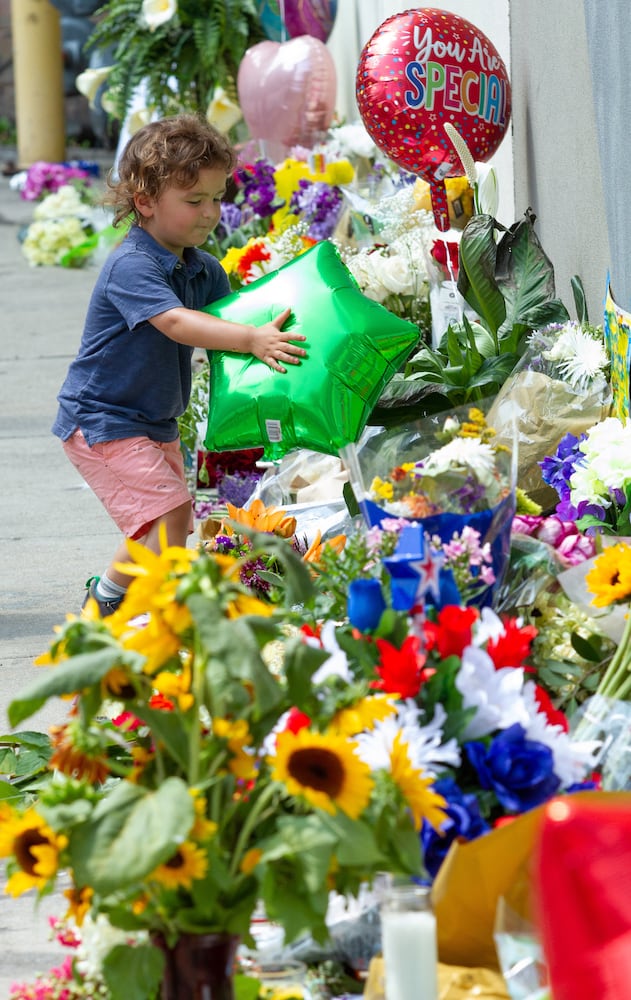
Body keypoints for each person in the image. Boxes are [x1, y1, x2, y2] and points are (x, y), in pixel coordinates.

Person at [52, 113, 307, 617]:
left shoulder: (202, 268)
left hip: (153, 419)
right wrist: (252, 339)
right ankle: (148, 612)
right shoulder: (132, 264)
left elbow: (233, 324)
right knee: (164, 514)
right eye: (194, 201)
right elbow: (176, 323)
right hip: (103, 418)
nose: (210, 213)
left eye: (217, 197)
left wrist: (279, 330)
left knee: (168, 523)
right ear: (144, 201)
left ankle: (113, 601)